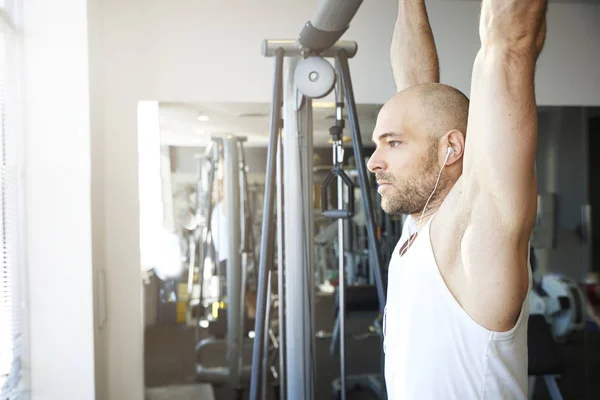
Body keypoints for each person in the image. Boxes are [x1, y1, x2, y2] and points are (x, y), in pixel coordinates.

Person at [368, 1, 548, 399]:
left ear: (451, 149)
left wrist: (506, 43)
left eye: (393, 143)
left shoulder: (476, 233)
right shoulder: (420, 221)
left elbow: (510, 42)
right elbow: (417, 91)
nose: (373, 162)